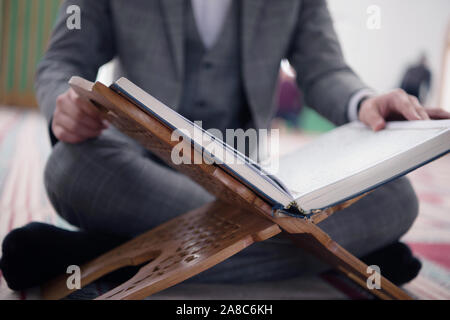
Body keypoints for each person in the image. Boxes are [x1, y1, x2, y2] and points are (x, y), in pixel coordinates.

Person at [1, 0, 449, 291]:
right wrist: (65, 103)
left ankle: (103, 257)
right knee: (69, 167)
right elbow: (63, 59)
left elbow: (324, 69)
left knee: (395, 197)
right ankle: (327, 254)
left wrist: (366, 102)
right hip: (140, 165)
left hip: (247, 181)